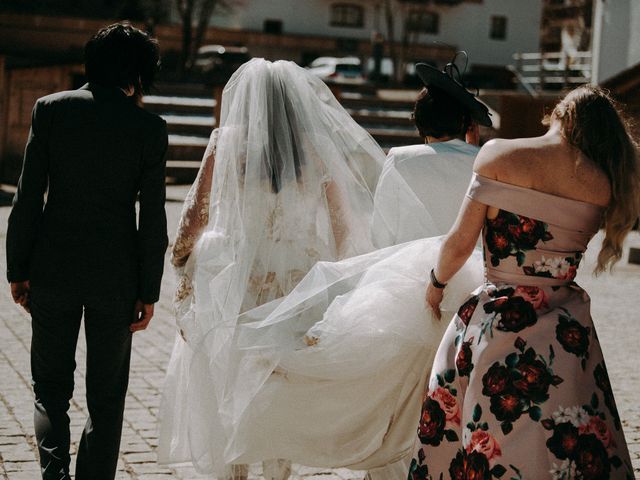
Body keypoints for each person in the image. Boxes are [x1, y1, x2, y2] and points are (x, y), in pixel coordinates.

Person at [157, 58, 385, 479]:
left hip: (235, 282)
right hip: (297, 284)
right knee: (280, 389)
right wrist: (336, 278)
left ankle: (236, 473)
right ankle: (278, 473)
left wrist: (182, 257)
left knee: (229, 386)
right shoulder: (315, 148)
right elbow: (343, 227)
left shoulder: (225, 142)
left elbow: (195, 217)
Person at [410, 84, 637, 479]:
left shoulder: (501, 155)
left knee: (479, 436)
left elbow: (459, 244)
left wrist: (436, 284)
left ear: (559, 115)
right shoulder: (602, 183)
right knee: (564, 443)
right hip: (567, 333)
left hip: (497, 323)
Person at [6, 23, 168, 480]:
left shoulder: (50, 110)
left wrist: (17, 267)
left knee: (49, 387)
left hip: (52, 269)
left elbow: (27, 196)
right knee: (108, 393)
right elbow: (152, 219)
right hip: (115, 279)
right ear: (138, 72)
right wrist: (148, 290)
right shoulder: (149, 129)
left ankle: (53, 472)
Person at [372, 59, 493, 247]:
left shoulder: (399, 159)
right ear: (465, 124)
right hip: (469, 267)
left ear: (419, 120)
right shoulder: (485, 164)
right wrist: (475, 152)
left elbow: (380, 234)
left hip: (407, 265)